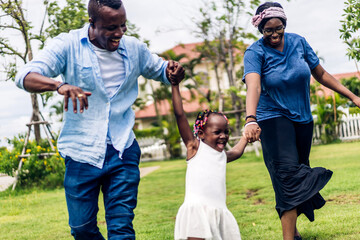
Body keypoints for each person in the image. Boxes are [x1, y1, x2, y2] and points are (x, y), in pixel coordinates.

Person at [15, 0, 185, 239]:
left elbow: (162, 71)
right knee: (82, 229)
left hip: (123, 149)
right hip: (81, 153)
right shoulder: (68, 45)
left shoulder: (134, 48)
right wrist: (59, 85)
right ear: (92, 23)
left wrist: (173, 71)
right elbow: (24, 76)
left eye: (123, 25)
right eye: (111, 27)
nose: (119, 33)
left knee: (121, 228)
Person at [242, 2, 360, 240]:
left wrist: (353, 96)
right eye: (268, 30)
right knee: (287, 175)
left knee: (292, 175)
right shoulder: (255, 53)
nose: (274, 34)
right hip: (272, 118)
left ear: (284, 25)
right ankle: (290, 238)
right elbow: (253, 85)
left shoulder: (299, 42)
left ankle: (293, 231)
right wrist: (250, 118)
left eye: (279, 28)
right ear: (260, 30)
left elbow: (321, 74)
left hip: (302, 120)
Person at [170, 77, 250, 240]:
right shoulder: (195, 147)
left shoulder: (221, 156)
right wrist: (175, 86)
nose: (223, 136)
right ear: (201, 134)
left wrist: (245, 137)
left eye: (226, 132)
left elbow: (236, 152)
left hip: (218, 210)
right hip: (197, 210)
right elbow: (179, 115)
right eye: (217, 132)